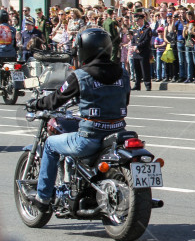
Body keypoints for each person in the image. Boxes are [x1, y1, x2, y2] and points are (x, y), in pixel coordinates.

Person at [18, 28, 130, 211]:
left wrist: (36, 104)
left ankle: (43, 198)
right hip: (117, 134)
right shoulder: (123, 73)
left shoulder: (80, 76)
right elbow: (124, 100)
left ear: (85, 49)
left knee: (50, 145)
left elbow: (55, 100)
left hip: (90, 138)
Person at [130, 11, 152, 91]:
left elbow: (146, 40)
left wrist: (138, 46)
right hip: (136, 53)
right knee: (137, 70)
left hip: (143, 52)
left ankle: (147, 84)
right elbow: (133, 40)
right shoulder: (135, 30)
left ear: (142, 20)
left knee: (145, 69)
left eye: (138, 20)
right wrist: (133, 47)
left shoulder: (147, 29)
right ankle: (137, 84)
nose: (137, 22)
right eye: (136, 21)